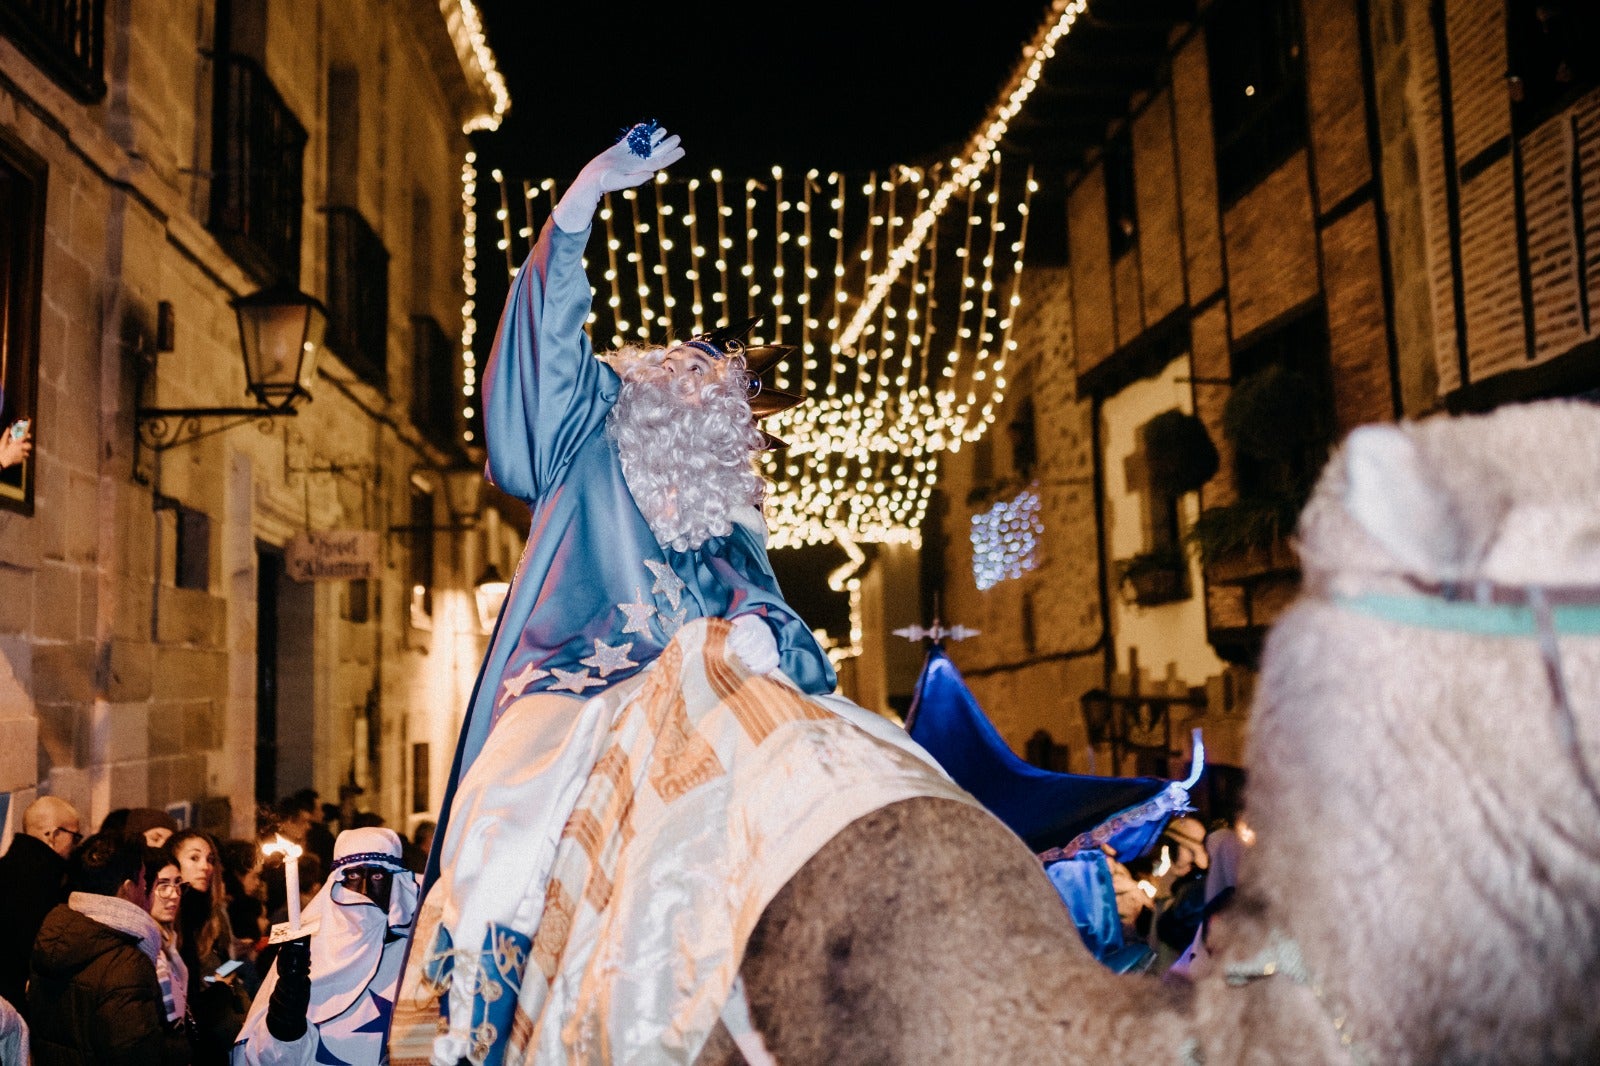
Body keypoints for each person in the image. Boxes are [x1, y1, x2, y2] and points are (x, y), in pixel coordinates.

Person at [398, 124, 893, 1064]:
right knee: (502, 825)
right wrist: (578, 208)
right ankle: (466, 1024)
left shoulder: (729, 513)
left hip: (693, 696)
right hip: (569, 684)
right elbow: (535, 368)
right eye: (696, 365)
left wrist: (755, 628)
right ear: (652, 372)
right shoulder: (588, 423)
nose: (712, 388)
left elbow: (776, 614)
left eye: (734, 393)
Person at [231, 828, 419, 1066]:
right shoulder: (311, 948)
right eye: (352, 877)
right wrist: (287, 1009)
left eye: (378, 877)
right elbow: (271, 1058)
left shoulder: (417, 948)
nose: (364, 891)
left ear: (396, 880)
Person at [28, 831, 174, 1063]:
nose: (146, 890)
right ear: (127, 888)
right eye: (145, 880)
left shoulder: (54, 938)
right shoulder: (126, 963)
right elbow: (137, 1055)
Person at [171, 831, 249, 1064]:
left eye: (210, 860)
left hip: (223, 1029)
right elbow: (190, 997)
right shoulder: (175, 917)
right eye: (194, 858)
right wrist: (220, 986)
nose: (205, 867)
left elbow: (228, 964)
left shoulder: (214, 915)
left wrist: (223, 978)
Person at [0, 796, 81, 1018]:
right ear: (53, 835)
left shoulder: (6, 870)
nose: (76, 846)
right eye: (75, 837)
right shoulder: (48, 883)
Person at [141, 848, 195, 1063]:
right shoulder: (145, 947)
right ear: (142, 887)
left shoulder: (170, 941)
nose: (173, 894)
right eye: (163, 885)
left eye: (177, 884)